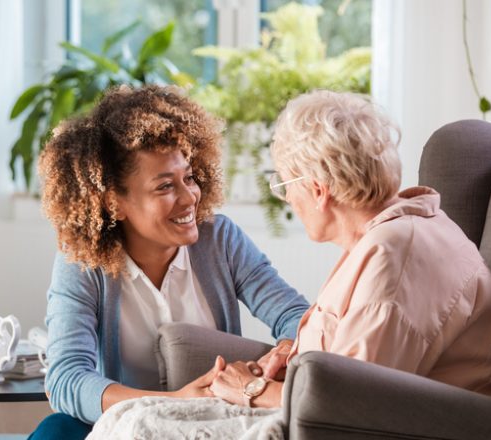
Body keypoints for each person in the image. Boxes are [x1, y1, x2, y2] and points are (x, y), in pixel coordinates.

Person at [28, 85, 310, 439]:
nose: (189, 196)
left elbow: (297, 318)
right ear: (113, 203)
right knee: (54, 431)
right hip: (123, 423)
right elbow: (67, 379)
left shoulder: (220, 240)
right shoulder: (82, 264)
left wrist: (280, 355)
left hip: (212, 419)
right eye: (164, 187)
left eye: (188, 178)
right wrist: (170, 401)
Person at [207, 89, 491, 409]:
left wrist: (252, 390)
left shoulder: (394, 256)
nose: (289, 199)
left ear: (318, 190)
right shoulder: (398, 232)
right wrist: (295, 357)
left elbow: (351, 403)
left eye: (284, 186)